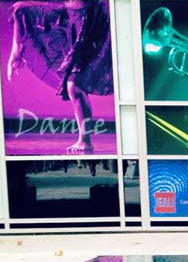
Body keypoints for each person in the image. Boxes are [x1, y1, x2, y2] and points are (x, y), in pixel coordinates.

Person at [7, 0, 114, 154]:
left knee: (75, 85)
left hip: (95, 17)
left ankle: (85, 140)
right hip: (72, 13)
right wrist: (16, 53)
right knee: (19, 9)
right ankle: (85, 139)